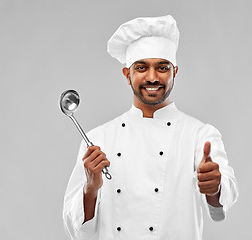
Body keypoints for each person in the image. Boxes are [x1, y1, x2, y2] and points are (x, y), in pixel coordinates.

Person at [63, 15, 238, 240]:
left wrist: (215, 187)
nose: (152, 77)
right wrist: (90, 188)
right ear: (128, 74)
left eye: (162, 67)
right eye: (142, 67)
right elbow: (74, 227)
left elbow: (223, 202)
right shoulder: (98, 139)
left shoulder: (199, 135)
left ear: (174, 72)